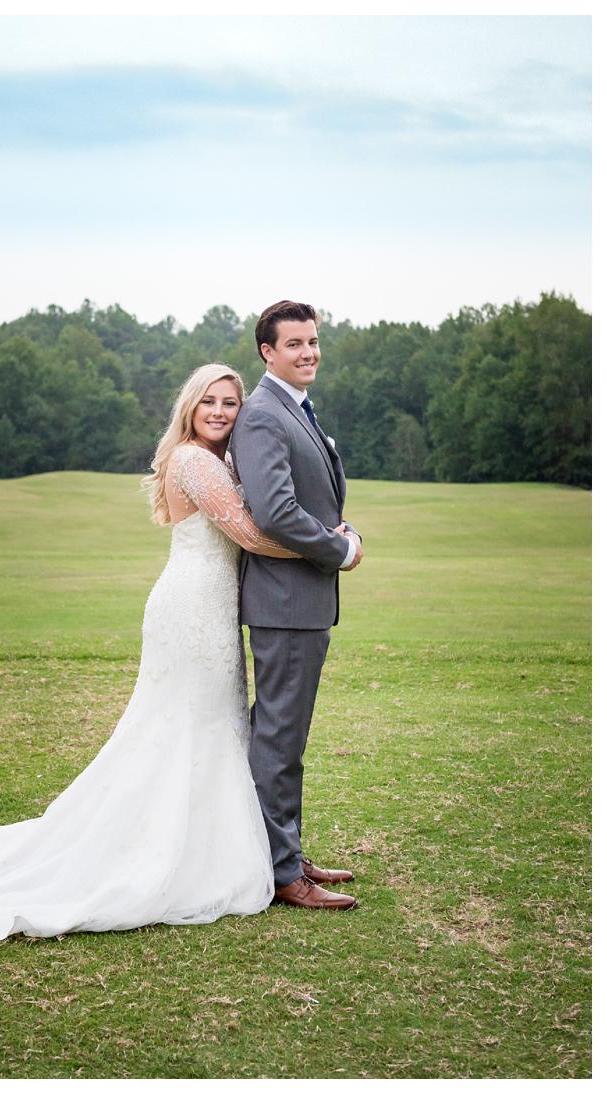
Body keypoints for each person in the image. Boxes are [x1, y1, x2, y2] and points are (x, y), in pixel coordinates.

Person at [0, 363, 359, 940]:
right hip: (193, 608)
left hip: (218, 608)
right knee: (184, 731)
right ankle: (209, 858)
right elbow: (251, 534)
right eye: (209, 403)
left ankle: (264, 852)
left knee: (216, 730)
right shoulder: (196, 461)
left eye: (229, 403)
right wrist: (336, 548)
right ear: (189, 410)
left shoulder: (219, 459)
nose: (221, 412)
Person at [234, 300, 364, 911]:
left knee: (285, 736)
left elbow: (308, 500)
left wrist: (339, 528)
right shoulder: (263, 414)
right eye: (295, 344)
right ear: (268, 352)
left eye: (313, 341)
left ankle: (283, 849)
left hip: (302, 603)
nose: (309, 352)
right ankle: (282, 872)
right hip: (285, 603)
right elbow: (276, 512)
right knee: (280, 738)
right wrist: (337, 550)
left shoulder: (295, 408)